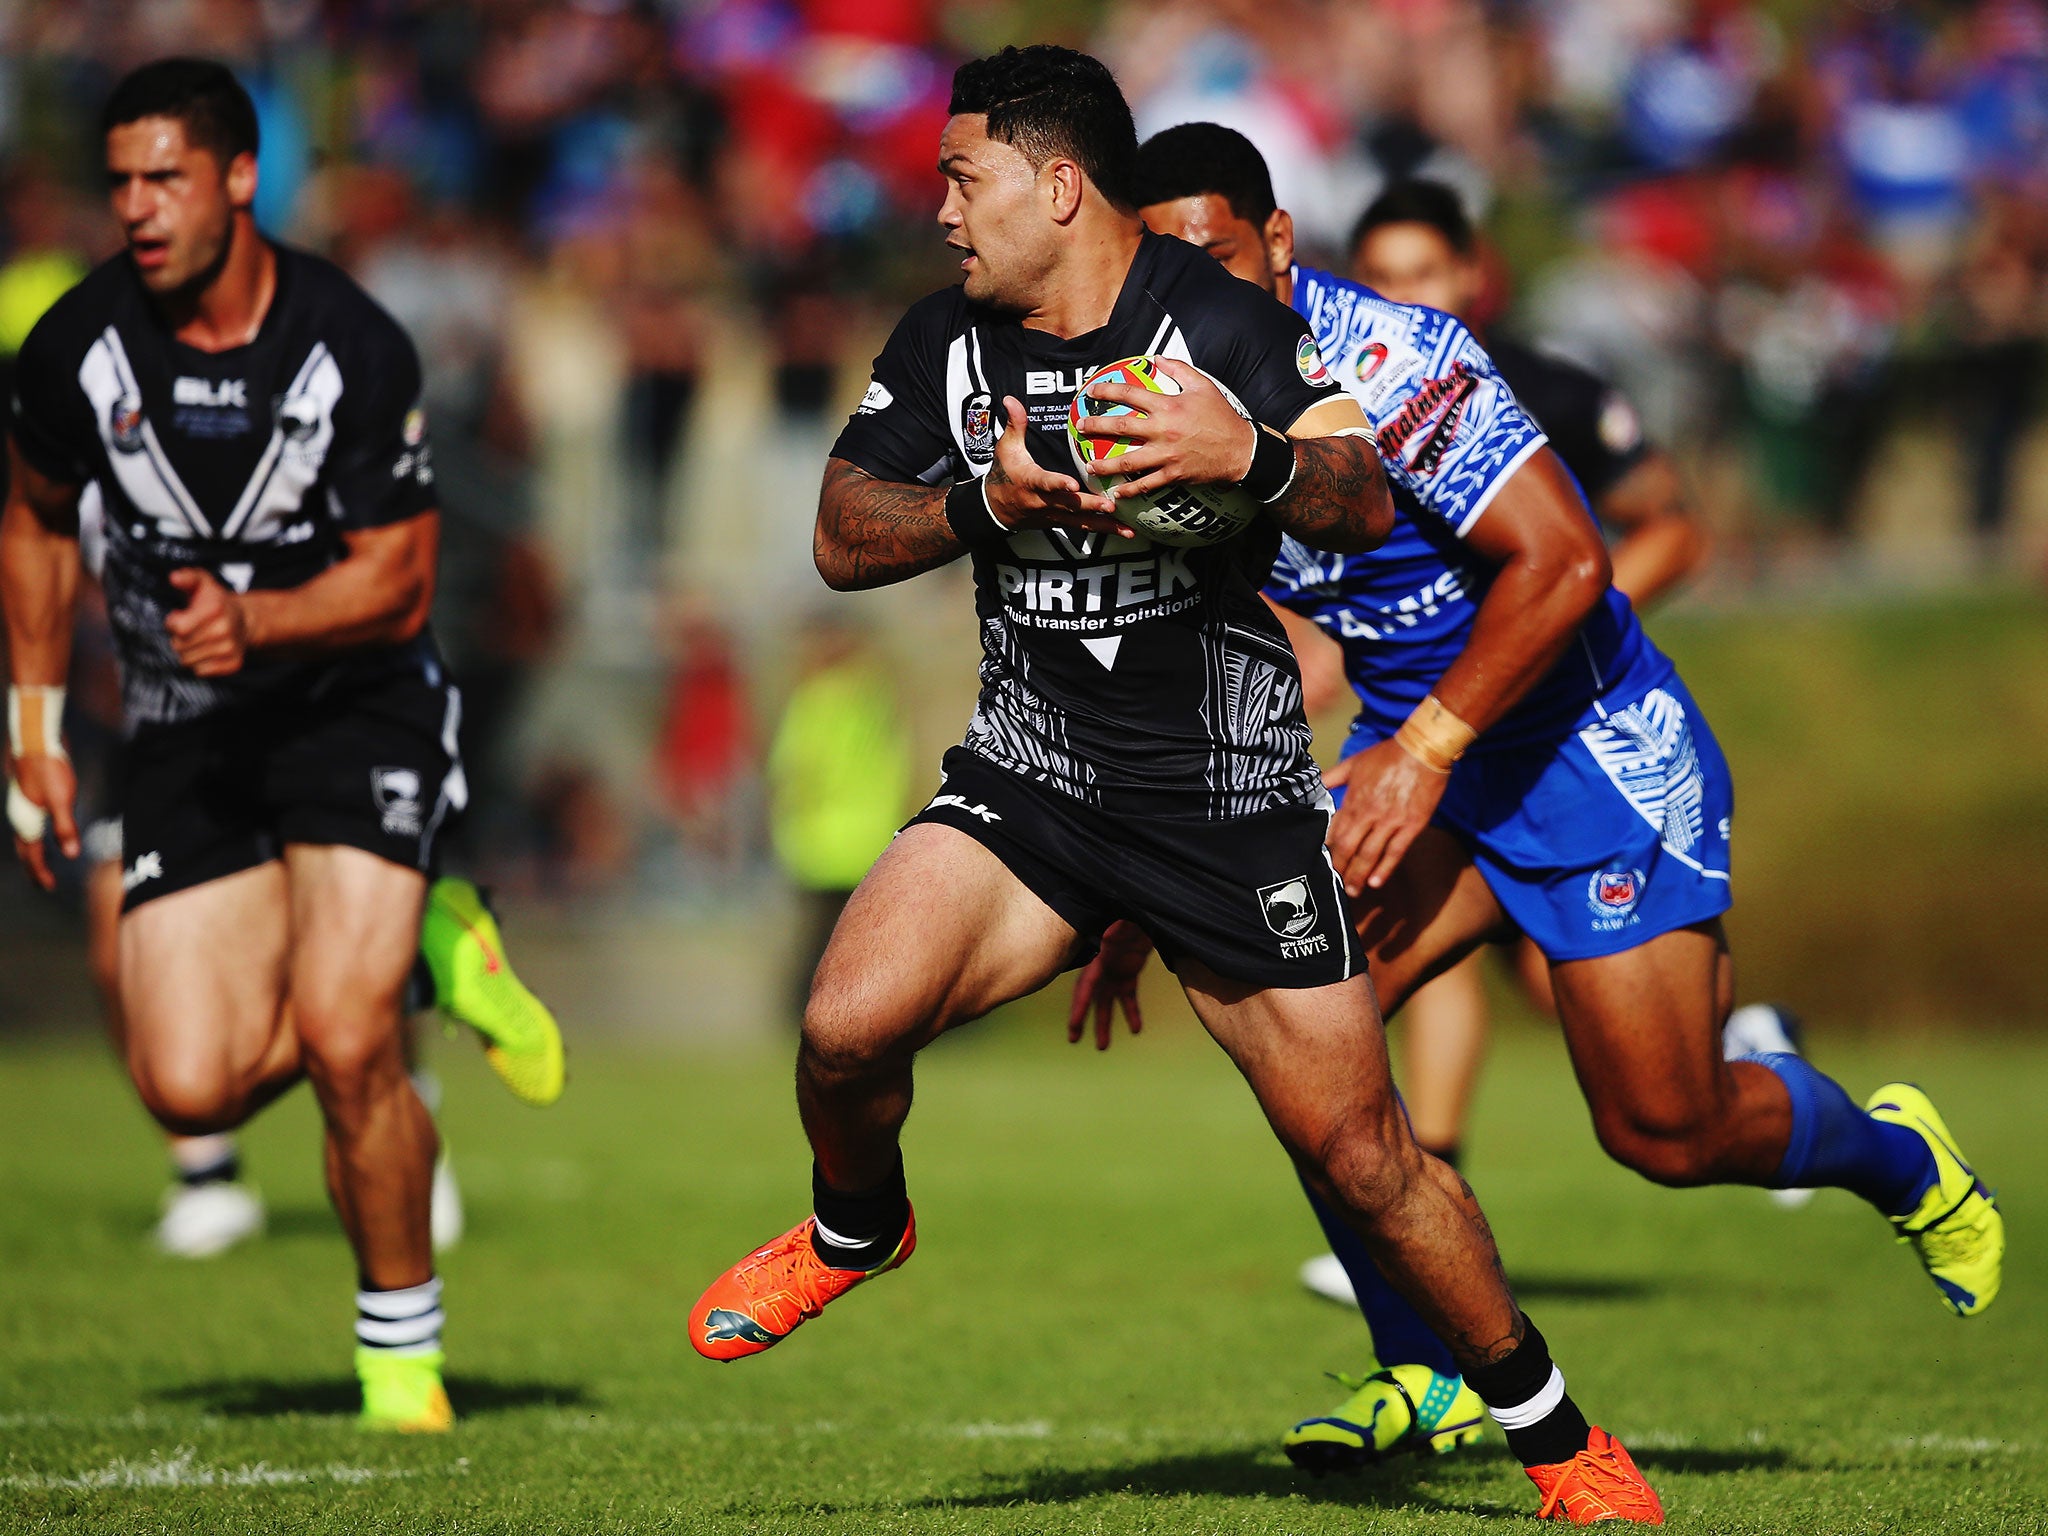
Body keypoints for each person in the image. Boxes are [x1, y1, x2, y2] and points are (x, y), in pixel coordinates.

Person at [687, 47, 1662, 1524]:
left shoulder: (1218, 320)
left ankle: (1555, 1429)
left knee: (1366, 1156)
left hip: (1226, 808)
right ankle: (855, 1226)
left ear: (1055, 183)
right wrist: (981, 502)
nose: (943, 211)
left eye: (965, 178)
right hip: (1032, 785)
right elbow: (840, 528)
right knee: (840, 1030)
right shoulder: (948, 339)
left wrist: (1251, 457)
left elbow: (1358, 494)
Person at [1081, 121, 2003, 1476]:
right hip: (1422, 747)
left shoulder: (1401, 366)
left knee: (1664, 1130)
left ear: (1277, 244)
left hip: (1581, 744)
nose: (1183, 293)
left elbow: (1570, 566)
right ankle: (1426, 1374)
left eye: (1208, 256)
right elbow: (1244, 638)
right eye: (1154, 266)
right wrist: (1159, 864)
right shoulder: (1166, 401)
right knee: (1304, 1035)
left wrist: (1432, 744)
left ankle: (1894, 1159)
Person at [0, 59, 564, 1431]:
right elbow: (30, 518)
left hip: (353, 711)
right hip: (186, 730)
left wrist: (255, 620)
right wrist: (28, 726)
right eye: (121, 182)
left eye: (166, 180)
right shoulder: (76, 348)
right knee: (185, 1082)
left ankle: (400, 1361)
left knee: (344, 1035)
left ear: (241, 180)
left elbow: (400, 580)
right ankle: (442, 935)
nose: (137, 209)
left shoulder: (349, 343)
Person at [765, 612, 913, 1024]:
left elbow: (795, 768)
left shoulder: (818, 697)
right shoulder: (875, 696)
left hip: (823, 838)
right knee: (863, 940)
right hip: (868, 834)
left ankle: (804, 1016)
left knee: (819, 943)